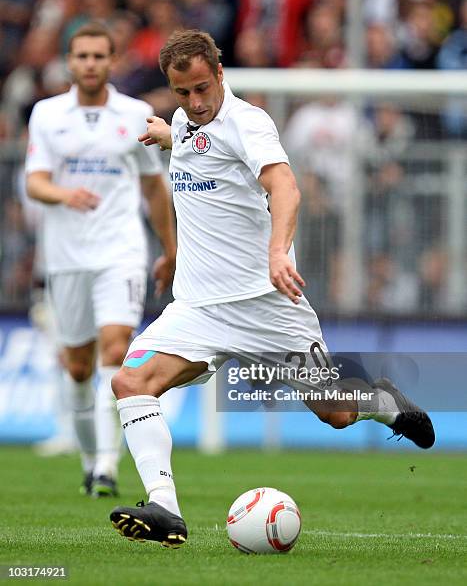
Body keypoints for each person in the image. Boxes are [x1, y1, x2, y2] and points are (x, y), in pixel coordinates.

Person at [109, 29, 435, 547]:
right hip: (196, 309)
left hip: (267, 308)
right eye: (182, 94)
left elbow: (284, 186)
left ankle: (381, 399)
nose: (194, 103)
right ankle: (164, 508)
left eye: (201, 89)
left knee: (337, 413)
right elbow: (197, 146)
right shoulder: (185, 122)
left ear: (220, 74)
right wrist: (166, 133)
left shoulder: (249, 122)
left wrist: (278, 250)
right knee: (129, 383)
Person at [25, 22, 177, 498]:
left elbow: (154, 187)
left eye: (98, 56)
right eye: (82, 56)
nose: (90, 63)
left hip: (121, 250)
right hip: (67, 256)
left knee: (115, 350)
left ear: (112, 61)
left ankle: (109, 466)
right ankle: (91, 459)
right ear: (70, 62)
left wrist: (171, 250)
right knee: (77, 367)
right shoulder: (47, 115)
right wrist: (64, 194)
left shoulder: (136, 114)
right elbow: (35, 181)